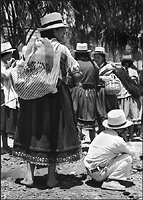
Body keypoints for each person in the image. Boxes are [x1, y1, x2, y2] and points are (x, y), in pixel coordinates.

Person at [12, 12, 82, 189]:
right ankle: (51, 178)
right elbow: (76, 72)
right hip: (54, 96)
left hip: (31, 97)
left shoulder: (32, 47)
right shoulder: (61, 49)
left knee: (31, 131)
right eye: (62, 31)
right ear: (56, 31)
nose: (63, 34)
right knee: (53, 133)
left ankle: (29, 176)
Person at [84, 109, 135, 191]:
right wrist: (126, 140)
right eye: (125, 128)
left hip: (91, 170)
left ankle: (103, 177)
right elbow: (132, 153)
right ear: (121, 129)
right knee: (127, 157)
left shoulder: (103, 133)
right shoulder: (117, 140)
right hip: (99, 174)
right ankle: (113, 181)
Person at [68, 43, 105, 142]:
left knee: (76, 117)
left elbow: (69, 81)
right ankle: (93, 142)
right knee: (91, 118)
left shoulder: (74, 64)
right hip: (91, 93)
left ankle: (77, 142)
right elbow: (97, 81)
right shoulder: (94, 65)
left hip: (77, 93)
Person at [114, 55, 141, 140]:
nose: (126, 64)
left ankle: (130, 135)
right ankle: (128, 136)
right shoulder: (128, 72)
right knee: (129, 117)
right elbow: (137, 83)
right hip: (127, 95)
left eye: (127, 62)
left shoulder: (121, 72)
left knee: (129, 117)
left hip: (128, 95)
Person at [1, 42, 19, 154]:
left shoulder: (6, 64)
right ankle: (4, 144)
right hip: (3, 93)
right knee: (3, 119)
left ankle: (6, 144)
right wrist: (11, 68)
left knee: (8, 119)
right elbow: (4, 76)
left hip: (8, 93)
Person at [94, 47, 119, 117]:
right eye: (95, 57)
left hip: (106, 92)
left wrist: (100, 78)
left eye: (98, 57)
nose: (96, 59)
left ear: (103, 58)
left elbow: (111, 78)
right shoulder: (95, 67)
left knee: (109, 110)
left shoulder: (108, 67)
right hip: (98, 92)